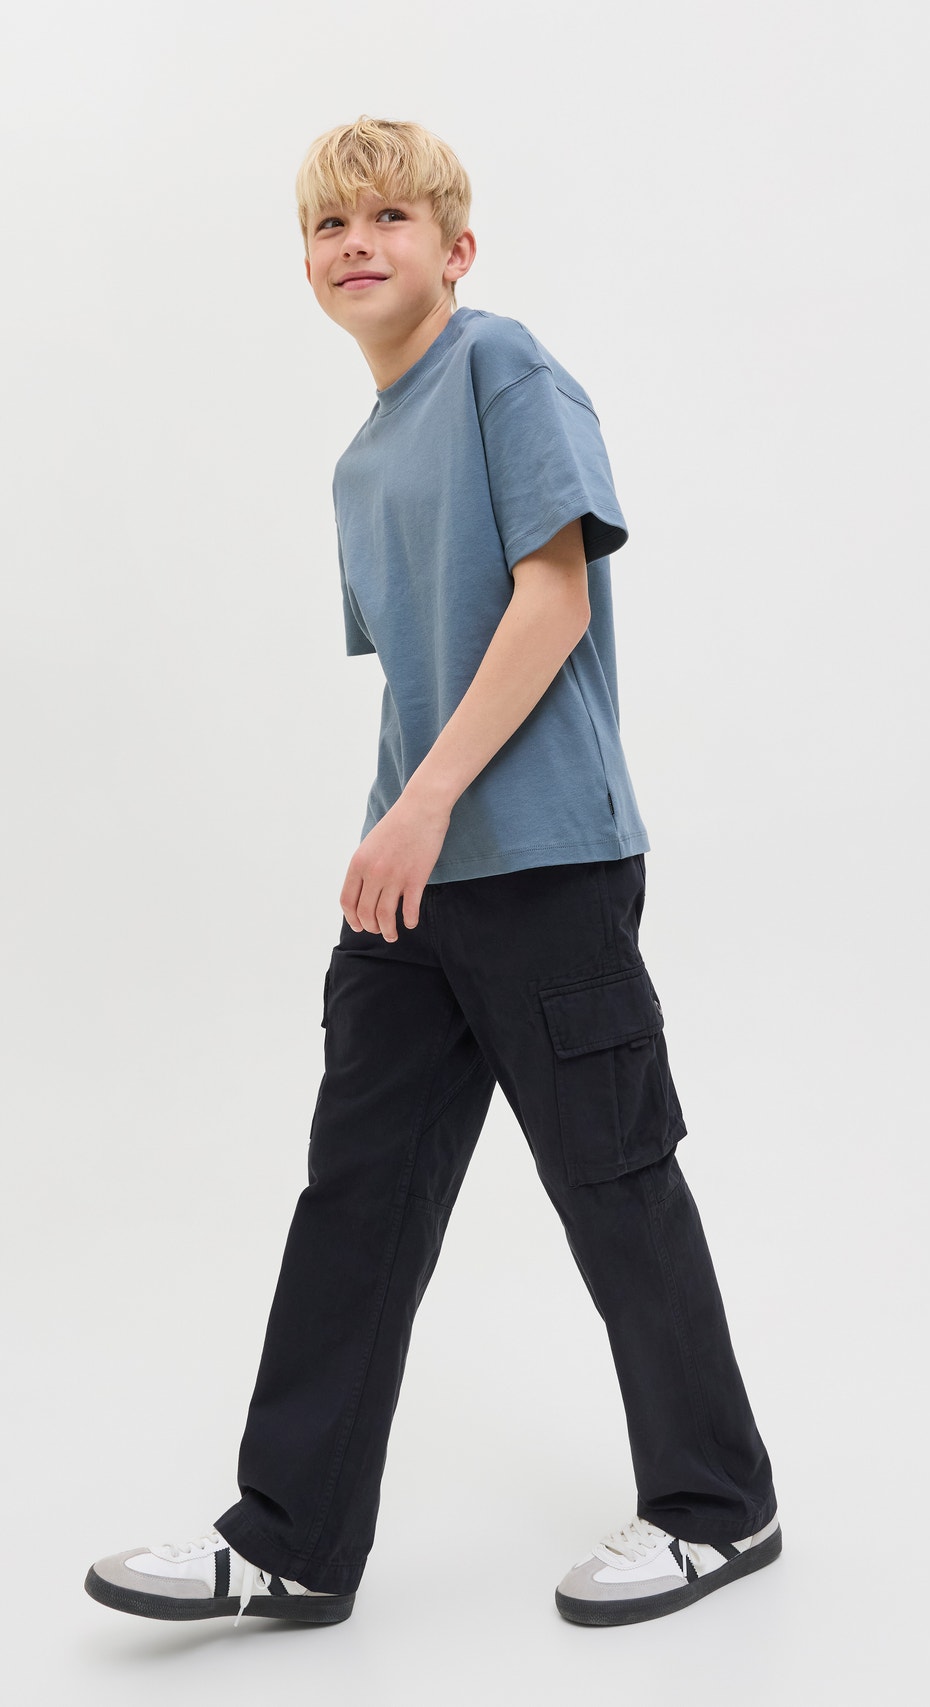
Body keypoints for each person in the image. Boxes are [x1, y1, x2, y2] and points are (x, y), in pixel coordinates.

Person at [84, 114, 780, 1631]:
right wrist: (392, 835)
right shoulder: (360, 462)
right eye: (328, 226)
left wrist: (428, 806)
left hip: (547, 861)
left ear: (455, 250)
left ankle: (719, 1508)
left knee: (613, 1180)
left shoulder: (500, 366)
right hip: (413, 880)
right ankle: (291, 1539)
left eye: (388, 217)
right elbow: (424, 672)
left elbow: (551, 599)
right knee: (358, 1195)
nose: (356, 243)